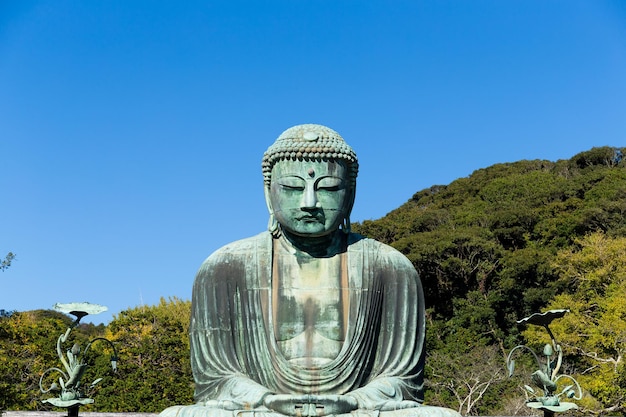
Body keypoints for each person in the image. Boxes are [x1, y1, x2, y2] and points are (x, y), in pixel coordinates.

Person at [161, 124, 459, 417]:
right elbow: (216, 381)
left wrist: (353, 402)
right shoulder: (225, 267)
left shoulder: (390, 267)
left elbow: (403, 382)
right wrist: (267, 401)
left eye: (328, 188)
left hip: (357, 410)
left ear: (350, 194)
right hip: (263, 410)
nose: (309, 202)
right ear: (268, 192)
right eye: (292, 187)